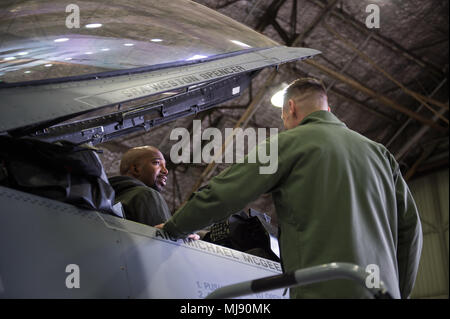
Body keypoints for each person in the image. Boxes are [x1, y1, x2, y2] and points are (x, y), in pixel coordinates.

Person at [157, 77, 423, 299]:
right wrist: (395, 290)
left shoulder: (288, 144)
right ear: (327, 110)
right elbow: (411, 230)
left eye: (283, 117)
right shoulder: (381, 154)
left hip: (322, 292)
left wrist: (174, 228)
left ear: (291, 108)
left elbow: (224, 194)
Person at [109, 146, 172, 227]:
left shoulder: (105, 198)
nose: (165, 171)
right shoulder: (146, 195)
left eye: (165, 166)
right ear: (136, 169)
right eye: (156, 163)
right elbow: (165, 239)